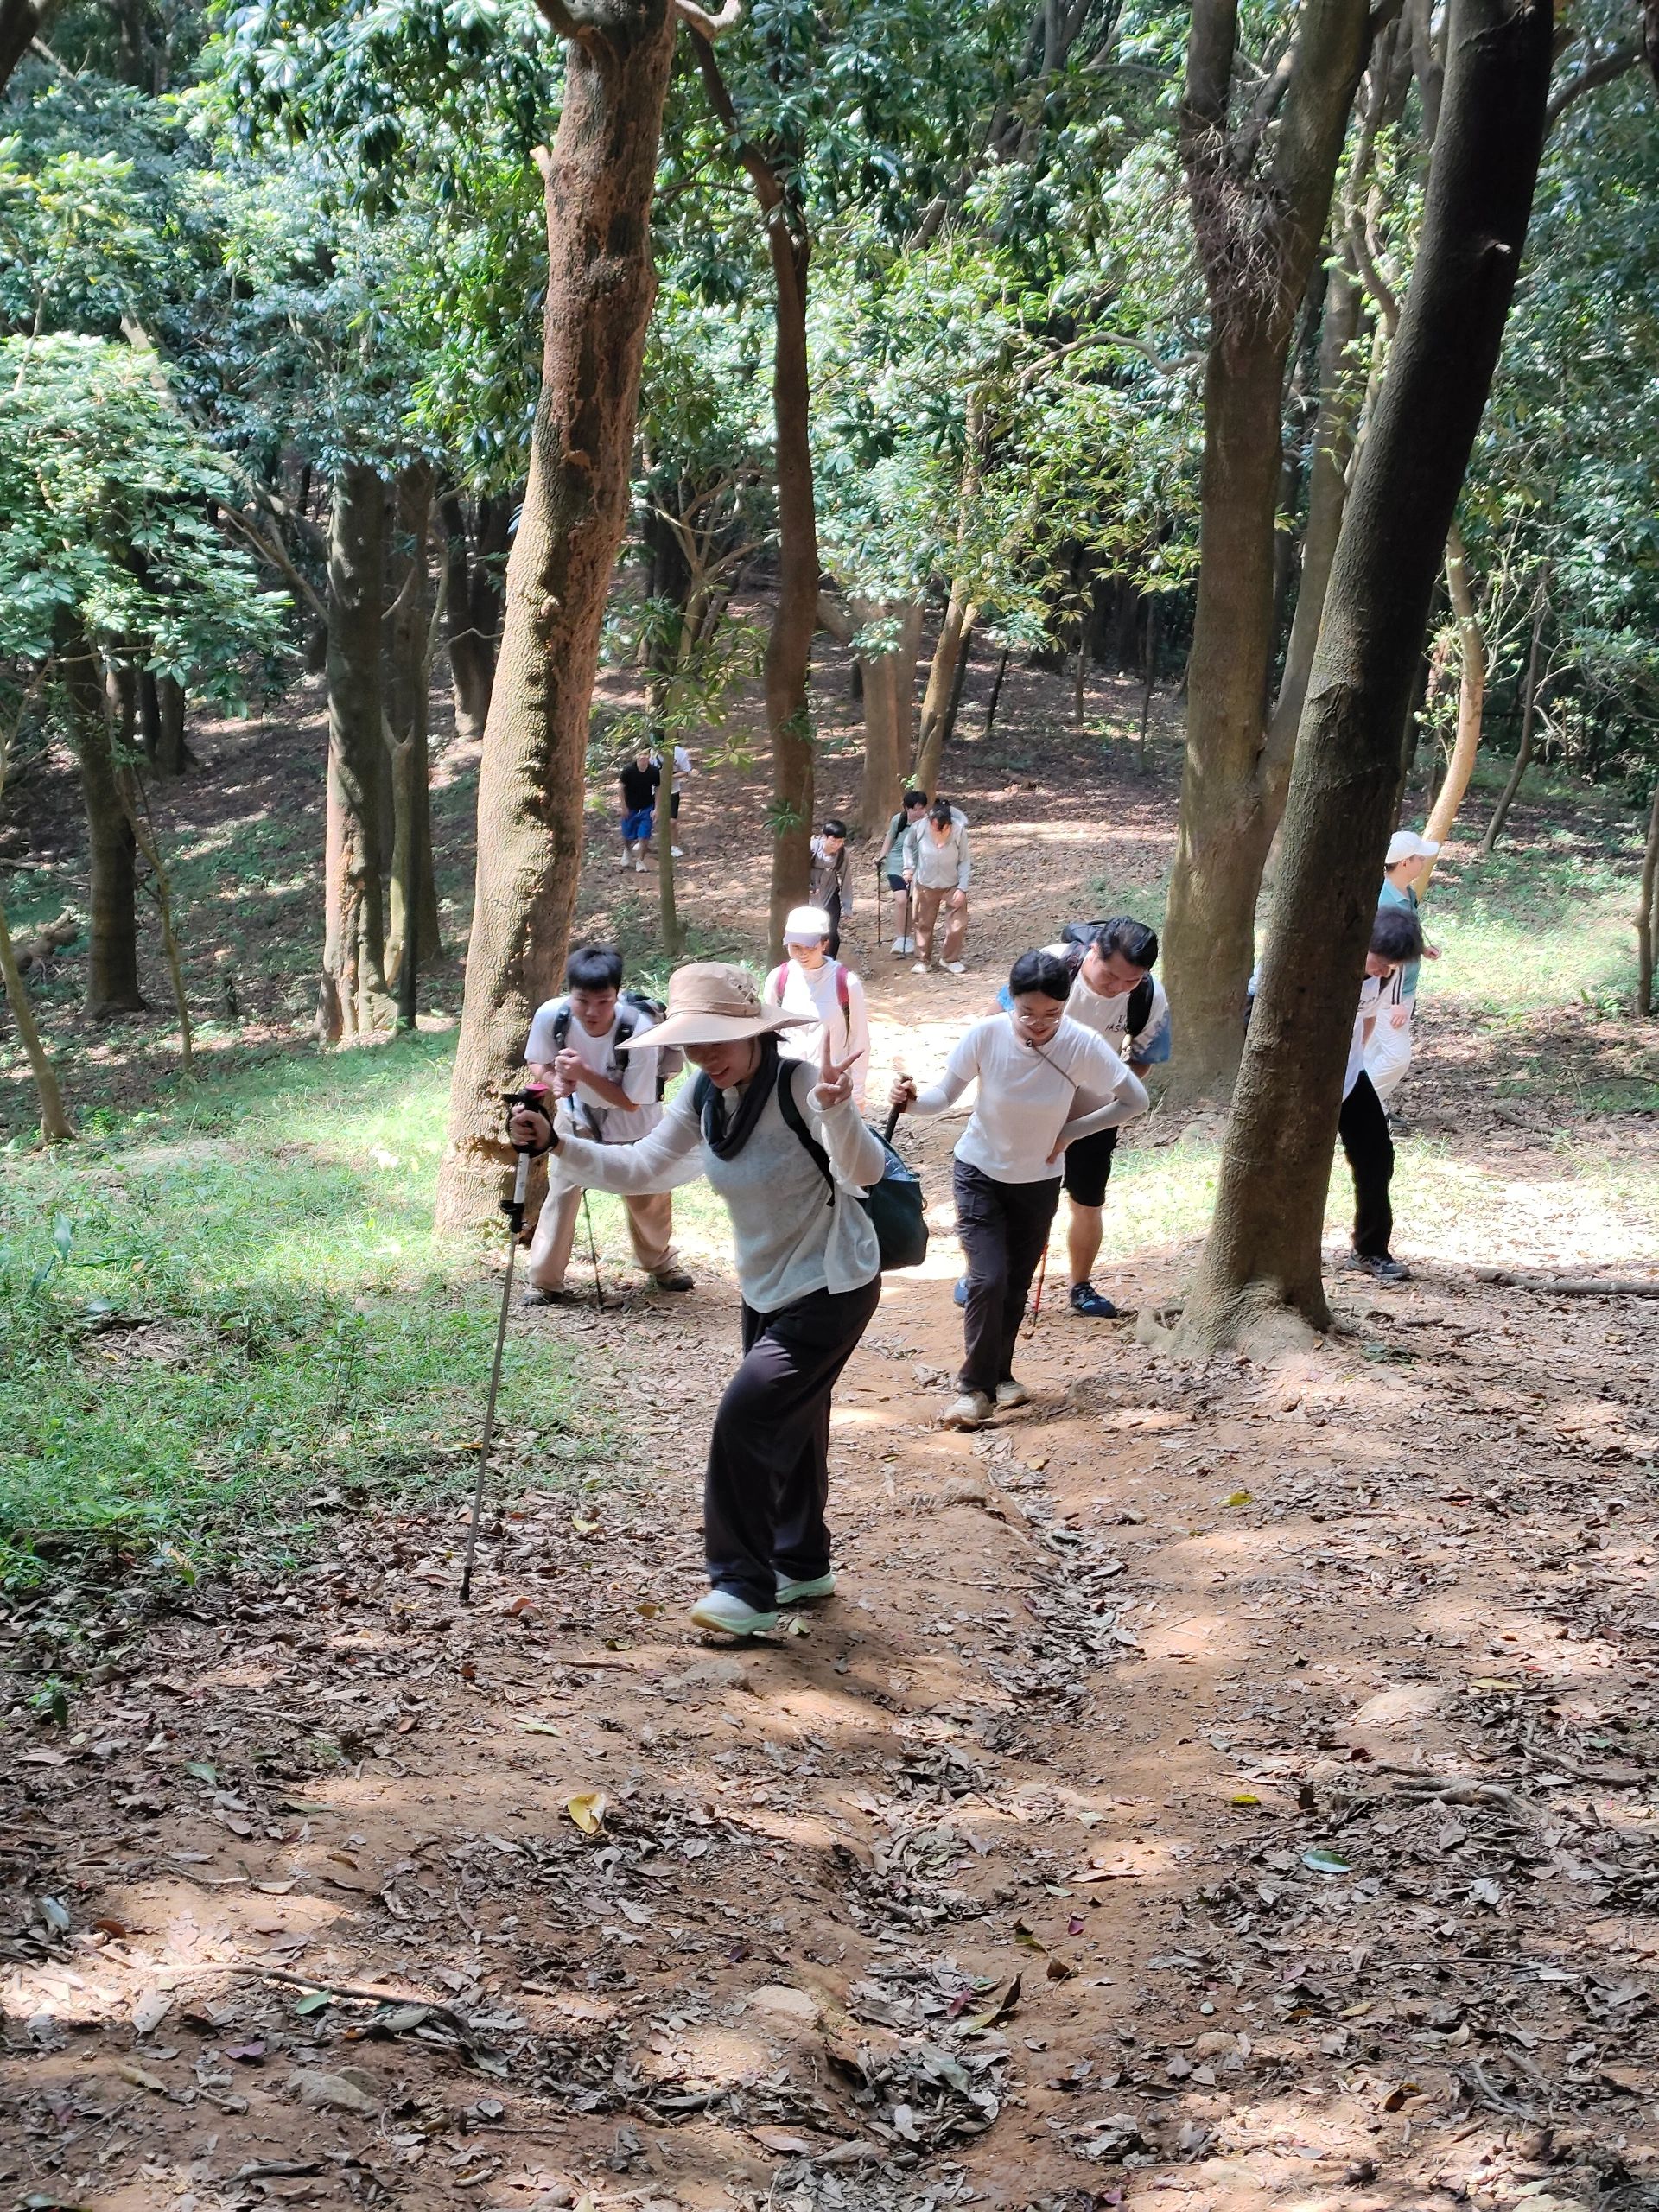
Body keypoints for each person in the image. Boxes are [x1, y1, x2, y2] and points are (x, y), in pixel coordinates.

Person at [510, 963, 884, 1638]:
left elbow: (865, 1173)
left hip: (834, 1280)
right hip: (766, 1283)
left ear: (753, 1033)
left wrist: (838, 1109)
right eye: (692, 1042)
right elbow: (643, 1166)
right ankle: (802, 1563)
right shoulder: (703, 1096)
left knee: (746, 1417)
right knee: (793, 1423)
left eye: (718, 1039)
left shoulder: (800, 1082)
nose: (705, 1055)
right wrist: (559, 1144)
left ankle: (744, 1589)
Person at [890, 948, 1148, 1430]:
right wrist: (911, 1102)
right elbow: (943, 1097)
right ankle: (973, 1390)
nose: (1038, 1023)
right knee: (987, 1279)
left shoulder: (1083, 1043)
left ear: (1065, 1005)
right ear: (1010, 1000)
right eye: (1027, 1012)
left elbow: (1135, 1099)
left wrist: (1072, 1132)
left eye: (1051, 1013)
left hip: (1038, 1182)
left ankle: (1001, 1374)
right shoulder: (986, 1035)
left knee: (1014, 1286)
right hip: (979, 1172)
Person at [1012, 918, 1171, 1319]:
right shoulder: (1050, 966)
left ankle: (1080, 1286)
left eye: (1130, 981)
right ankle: (989, 1274)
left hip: (1097, 1113)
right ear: (1094, 952)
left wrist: (1105, 1101)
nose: (1118, 987)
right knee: (1012, 1194)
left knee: (1087, 1199)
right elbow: (1001, 1023)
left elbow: (1141, 1062)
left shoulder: (1149, 996)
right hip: (1029, 1102)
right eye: (1111, 975)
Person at [522, 943, 694, 1302]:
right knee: (563, 1193)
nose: (592, 1012)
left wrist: (582, 1073)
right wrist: (555, 1081)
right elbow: (538, 1061)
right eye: (582, 1001)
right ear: (570, 993)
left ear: (616, 994)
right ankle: (545, 1280)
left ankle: (659, 1262)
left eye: (603, 1002)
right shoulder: (553, 1016)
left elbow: (630, 1102)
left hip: (636, 1126)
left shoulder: (640, 1030)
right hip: (577, 1118)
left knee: (648, 1196)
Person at [1338, 906, 1425, 1284]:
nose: (1384, 970)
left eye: (1392, 966)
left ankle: (1370, 1250)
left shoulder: (1380, 977)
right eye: (1380, 961)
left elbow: (1369, 1017)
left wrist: (1355, 1059)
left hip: (1349, 1076)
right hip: (1301, 1079)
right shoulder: (1323, 962)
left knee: (1377, 1156)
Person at [764, 906, 871, 1112]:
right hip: (787, 1085)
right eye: (795, 947)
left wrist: (857, 1092)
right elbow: (769, 1035)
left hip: (832, 1088)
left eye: (810, 948)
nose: (802, 955)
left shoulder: (846, 983)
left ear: (824, 943)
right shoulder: (778, 979)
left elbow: (860, 1040)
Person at [1367, 829, 1442, 1110]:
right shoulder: (1384, 900)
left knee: (1371, 1051)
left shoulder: (1407, 893)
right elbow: (1385, 957)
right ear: (1405, 863)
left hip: (1404, 989)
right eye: (1419, 858)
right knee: (1397, 1056)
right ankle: (1358, 1110)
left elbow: (1401, 942)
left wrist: (1421, 948)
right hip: (1387, 991)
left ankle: (1369, 1108)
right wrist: (1396, 1001)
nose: (1423, 862)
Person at [902, 797, 971, 974]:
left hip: (952, 884)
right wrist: (908, 867)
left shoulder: (958, 830)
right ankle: (923, 960)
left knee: (958, 924)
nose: (938, 830)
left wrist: (962, 887)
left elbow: (964, 860)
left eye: (943, 827)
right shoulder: (919, 828)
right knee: (923, 923)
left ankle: (950, 959)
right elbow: (908, 846)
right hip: (925, 884)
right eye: (934, 825)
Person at [880, 788, 929, 956]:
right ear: (906, 809)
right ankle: (900, 938)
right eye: (914, 809)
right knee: (901, 900)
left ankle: (909, 938)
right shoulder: (898, 820)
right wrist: (881, 856)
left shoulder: (928, 822)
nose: (917, 812)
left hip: (918, 867)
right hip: (896, 864)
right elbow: (890, 837)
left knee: (912, 902)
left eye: (921, 808)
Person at [807, 818, 853, 956]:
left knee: (831, 933)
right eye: (834, 840)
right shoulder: (812, 848)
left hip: (830, 893)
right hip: (810, 896)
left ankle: (830, 963)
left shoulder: (843, 854)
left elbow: (846, 878)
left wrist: (847, 906)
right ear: (825, 837)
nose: (837, 845)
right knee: (812, 932)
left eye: (841, 841)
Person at [618, 748, 659, 873]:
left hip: (647, 807)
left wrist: (657, 808)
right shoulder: (628, 770)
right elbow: (620, 788)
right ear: (636, 757)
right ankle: (627, 850)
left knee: (644, 835)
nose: (643, 757)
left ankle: (640, 861)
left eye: (645, 754)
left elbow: (658, 789)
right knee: (627, 833)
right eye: (640, 754)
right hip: (631, 807)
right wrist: (623, 806)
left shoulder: (654, 771)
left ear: (649, 757)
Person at [651, 741, 695, 859]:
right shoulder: (651, 754)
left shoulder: (679, 753)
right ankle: (643, 841)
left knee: (672, 821)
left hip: (672, 790)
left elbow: (686, 771)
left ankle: (674, 846)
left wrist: (670, 776)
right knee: (651, 816)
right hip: (655, 789)